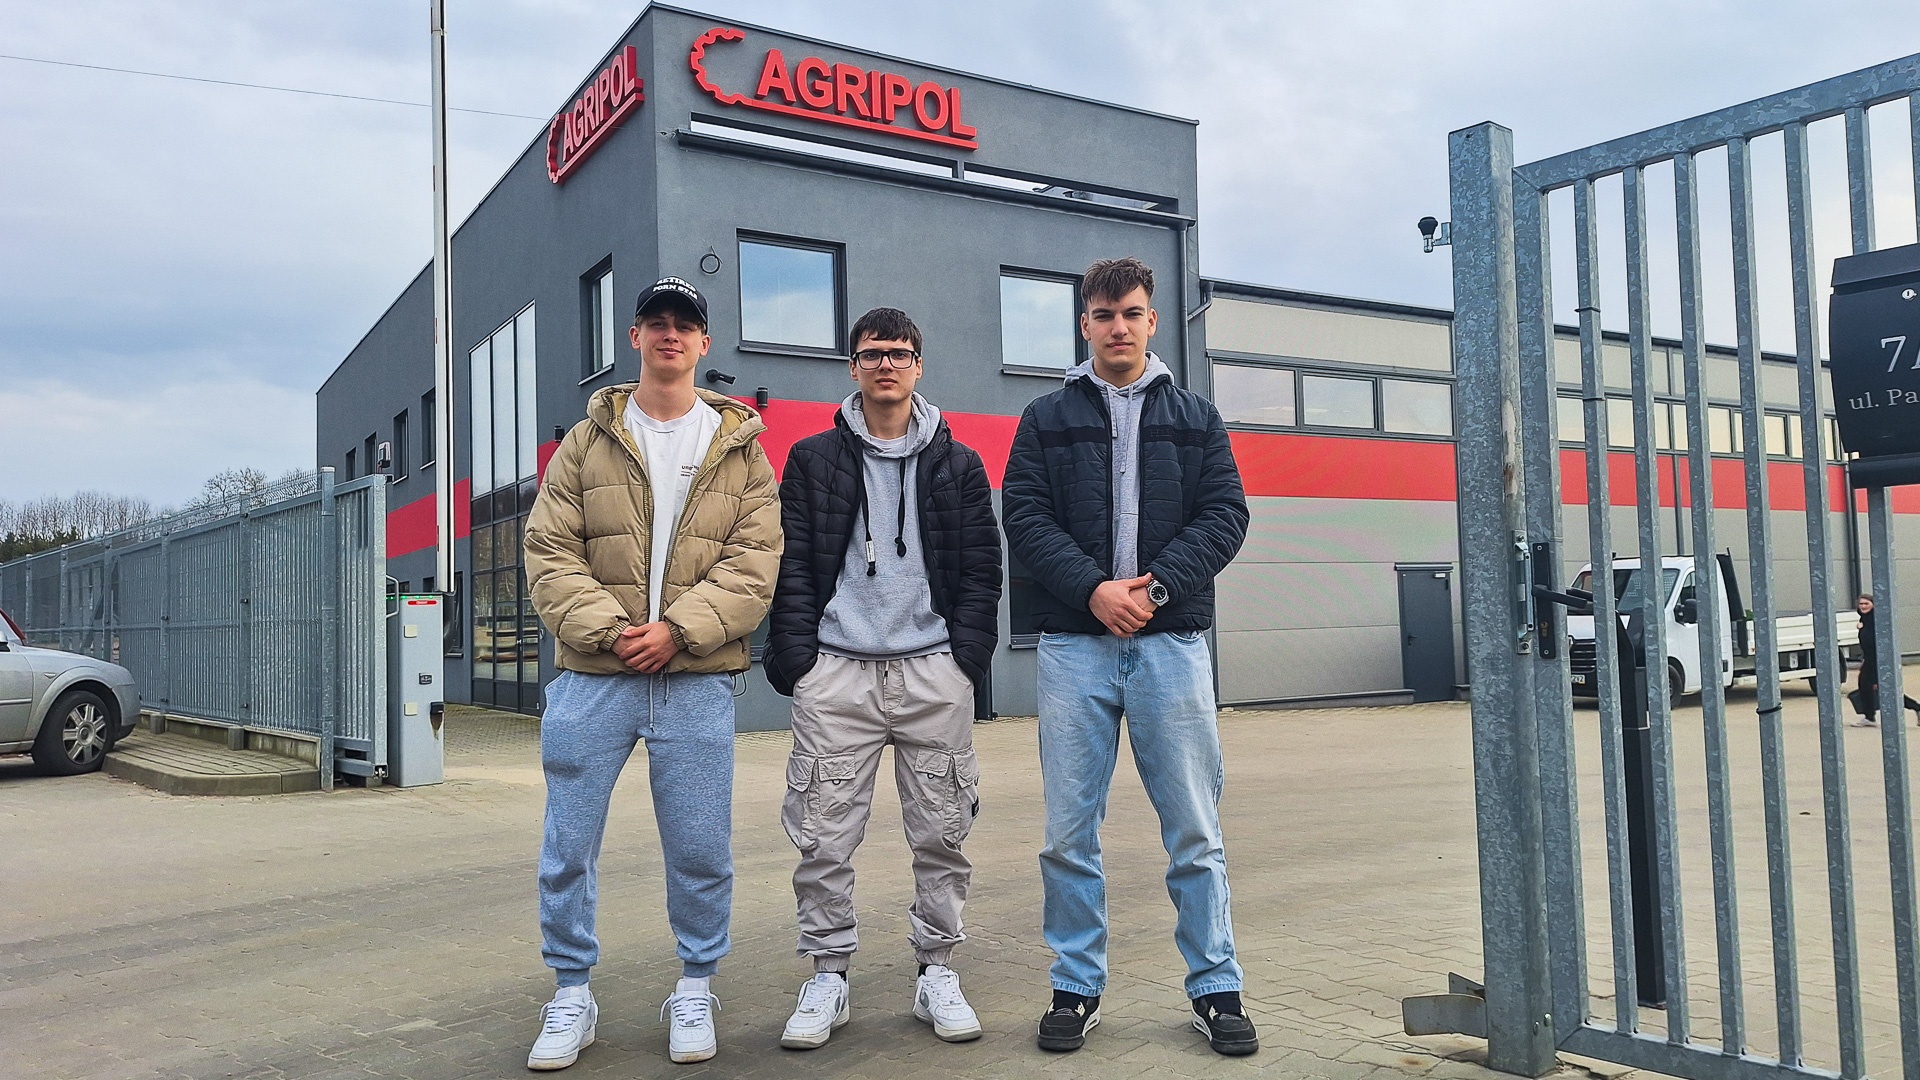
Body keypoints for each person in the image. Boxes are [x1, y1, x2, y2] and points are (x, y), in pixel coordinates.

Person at [521, 276, 781, 1069]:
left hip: (694, 678)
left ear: (704, 343)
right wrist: (613, 633)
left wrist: (678, 632)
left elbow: (755, 563)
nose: (671, 334)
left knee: (700, 846)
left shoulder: (740, 449)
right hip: (592, 677)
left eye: (685, 325)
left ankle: (695, 985)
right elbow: (548, 551)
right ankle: (572, 992)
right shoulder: (585, 441)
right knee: (568, 845)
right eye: (657, 322)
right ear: (634, 336)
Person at [1001, 256, 1257, 1057]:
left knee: (1194, 831)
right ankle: (1076, 984)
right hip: (1074, 648)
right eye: (1104, 314)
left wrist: (1155, 589)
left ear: (1152, 321)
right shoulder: (1044, 417)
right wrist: (1093, 592)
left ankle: (1215, 986)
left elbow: (1225, 514)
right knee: (1068, 833)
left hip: (1171, 646)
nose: (1119, 326)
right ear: (1085, 323)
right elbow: (1024, 515)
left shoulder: (1197, 418)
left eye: (1132, 313)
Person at [764, 306, 1003, 1049]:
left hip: (933, 670)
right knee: (824, 837)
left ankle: (937, 971)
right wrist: (801, 664)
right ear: (853, 366)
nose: (886, 365)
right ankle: (828, 976)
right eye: (872, 354)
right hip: (837, 672)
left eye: (899, 353)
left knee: (942, 831)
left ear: (918, 365)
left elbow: (982, 570)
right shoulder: (812, 459)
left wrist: (965, 662)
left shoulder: (959, 464)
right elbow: (790, 564)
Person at [1850, 593, 1919, 727]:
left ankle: (1916, 707)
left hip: (1878, 660)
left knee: (1886, 689)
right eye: (1861, 604)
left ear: (1873, 605)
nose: (1863, 606)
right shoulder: (1864, 619)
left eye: (1866, 603)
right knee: (1866, 687)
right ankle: (1869, 717)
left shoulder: (1875, 620)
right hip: (1869, 660)